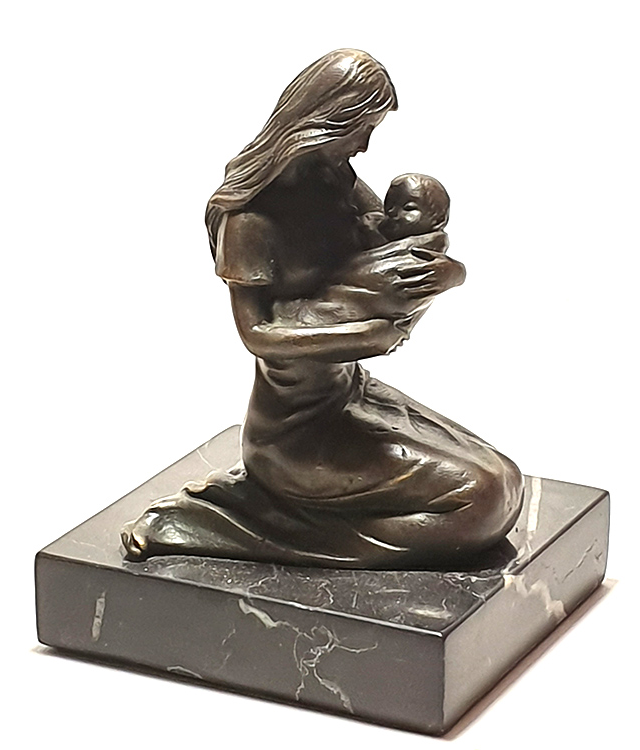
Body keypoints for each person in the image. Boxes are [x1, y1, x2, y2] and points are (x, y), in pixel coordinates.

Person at [122, 49, 523, 569]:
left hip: (353, 395)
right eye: (361, 128)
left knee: (505, 481)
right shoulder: (251, 219)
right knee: (482, 501)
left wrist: (451, 271)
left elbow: (403, 241)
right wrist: (367, 337)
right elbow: (256, 333)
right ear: (324, 121)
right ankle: (251, 527)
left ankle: (283, 514)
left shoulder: (336, 182)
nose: (365, 145)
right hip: (293, 433)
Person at [270, 173, 454, 327]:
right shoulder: (379, 226)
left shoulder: (418, 258)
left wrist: (455, 273)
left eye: (408, 208)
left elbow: (375, 291)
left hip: (322, 309)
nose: (392, 213)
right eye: (390, 205)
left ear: (438, 220)